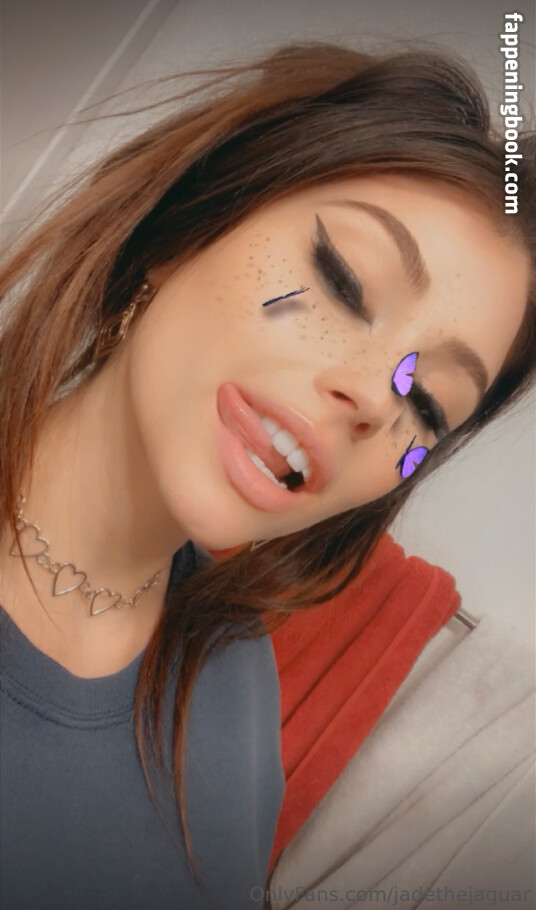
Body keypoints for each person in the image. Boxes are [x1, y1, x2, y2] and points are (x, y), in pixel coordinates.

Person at [0, 39, 534, 910]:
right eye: (343, 281)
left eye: (430, 406)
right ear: (185, 226)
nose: (375, 397)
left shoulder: (238, 679)